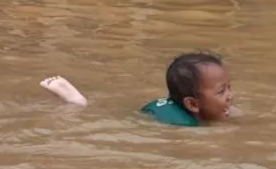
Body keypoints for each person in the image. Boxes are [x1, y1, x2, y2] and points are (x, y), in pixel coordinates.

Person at [40, 53, 233, 126]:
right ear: (192, 104)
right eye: (221, 91)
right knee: (91, 113)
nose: (230, 96)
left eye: (229, 88)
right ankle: (77, 103)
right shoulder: (182, 127)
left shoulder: (184, 107)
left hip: (139, 115)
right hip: (133, 123)